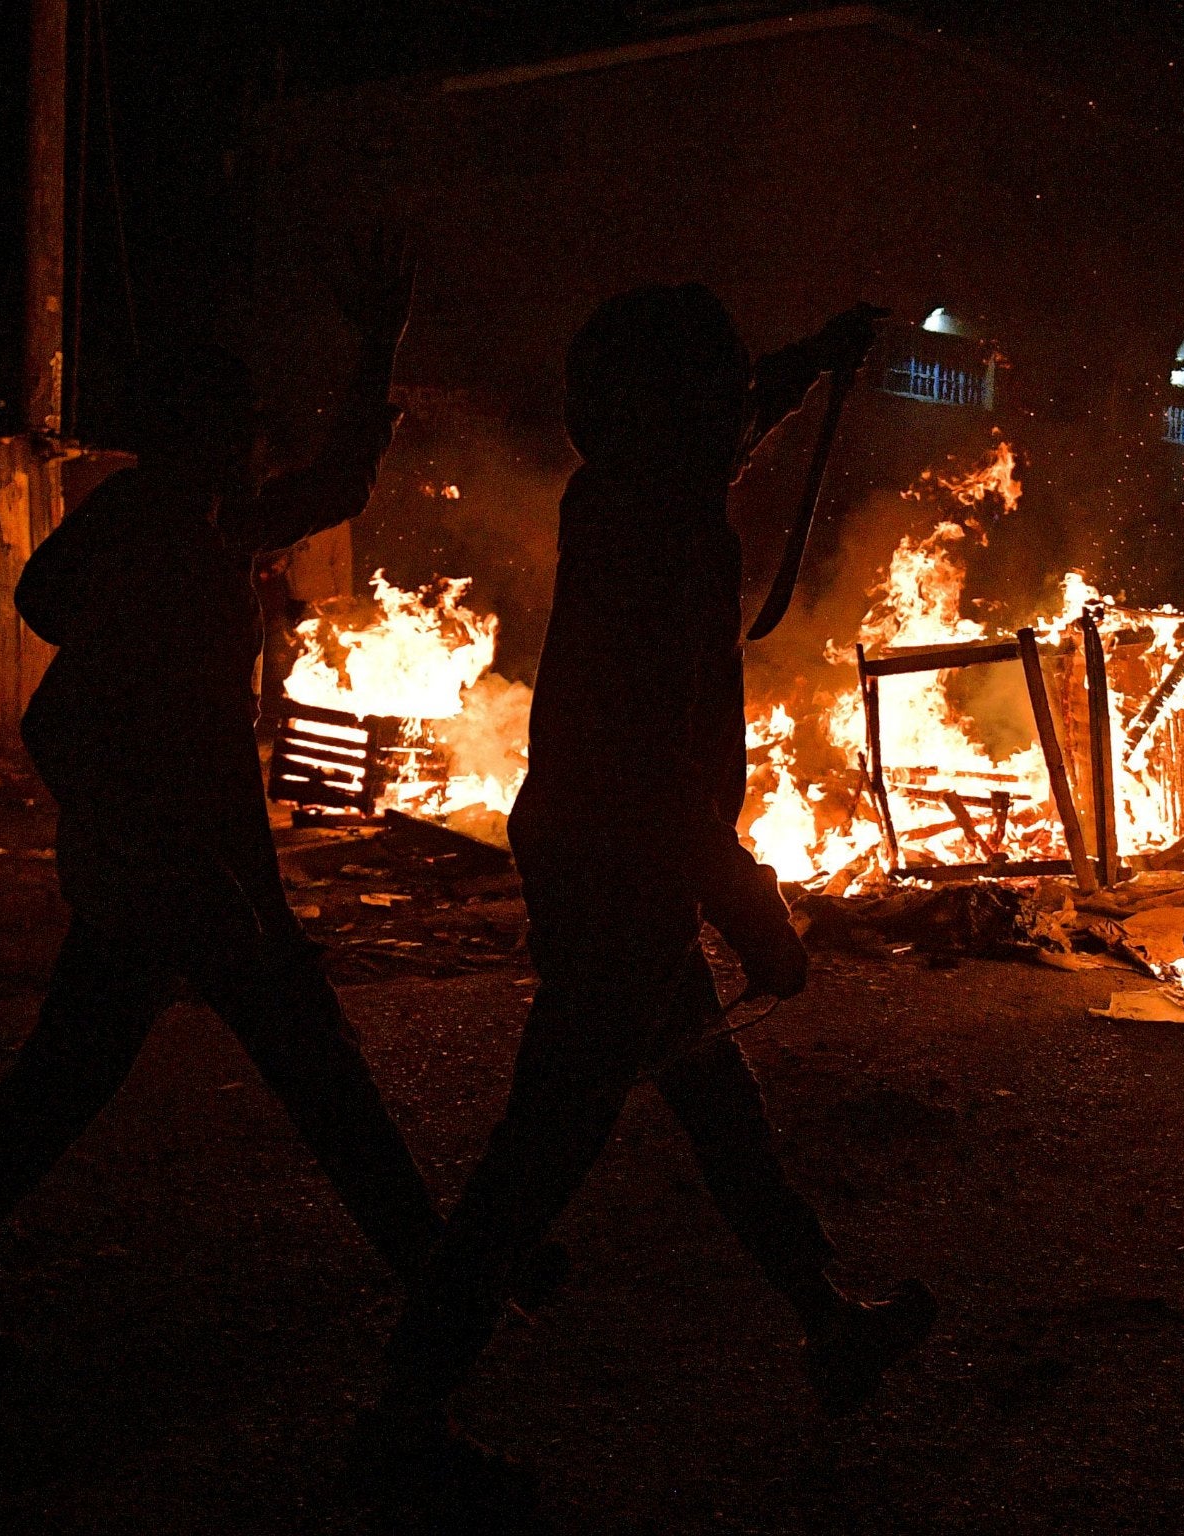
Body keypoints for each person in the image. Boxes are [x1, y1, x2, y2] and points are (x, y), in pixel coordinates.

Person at [354, 285, 935, 1509]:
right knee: (539, 1156)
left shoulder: (629, 487)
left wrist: (812, 363)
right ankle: (404, 1416)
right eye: (716, 391)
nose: (737, 412)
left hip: (605, 859)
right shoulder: (660, 530)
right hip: (622, 868)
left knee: (715, 1103)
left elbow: (734, 415)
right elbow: (656, 766)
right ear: (673, 407)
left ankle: (826, 1317)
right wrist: (752, 912)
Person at [0, 238, 440, 1367]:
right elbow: (57, 710)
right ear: (200, 433)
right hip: (187, 881)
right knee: (303, 1074)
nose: (255, 442)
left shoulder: (185, 523)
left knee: (90, 1084)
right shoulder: (167, 537)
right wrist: (142, 846)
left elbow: (330, 489)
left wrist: (379, 344)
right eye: (238, 423)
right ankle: (447, 1271)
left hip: (183, 877)